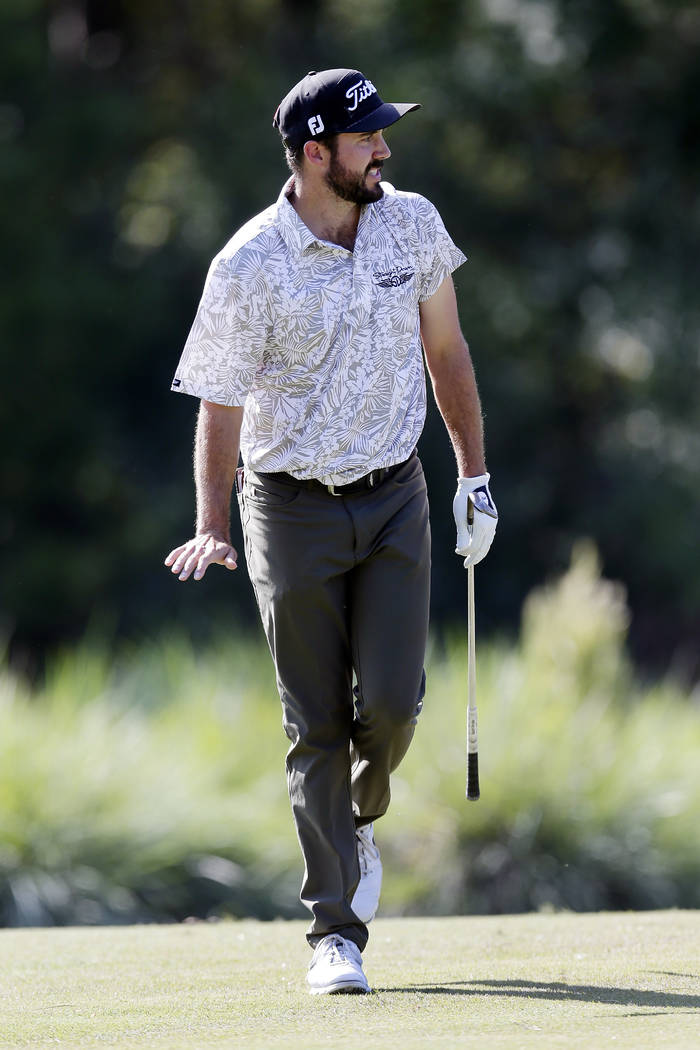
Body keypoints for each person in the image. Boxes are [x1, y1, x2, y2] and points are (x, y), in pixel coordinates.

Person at [165, 68, 497, 995]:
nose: (385, 148)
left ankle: (360, 817)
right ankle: (334, 934)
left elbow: (447, 350)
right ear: (316, 154)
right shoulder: (248, 264)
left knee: (391, 705)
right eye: (367, 138)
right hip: (289, 506)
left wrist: (474, 475)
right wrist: (212, 522)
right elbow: (220, 405)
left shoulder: (411, 221)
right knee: (314, 721)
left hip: (396, 494)